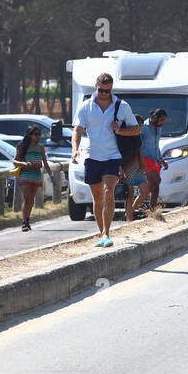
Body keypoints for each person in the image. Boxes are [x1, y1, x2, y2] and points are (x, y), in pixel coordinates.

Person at [71, 72, 139, 247]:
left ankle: (106, 234)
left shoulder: (121, 106)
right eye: (100, 90)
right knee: (98, 197)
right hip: (92, 156)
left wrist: (120, 131)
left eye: (107, 91)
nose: (103, 94)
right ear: (96, 87)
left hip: (112, 157)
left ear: (111, 90)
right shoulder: (86, 106)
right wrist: (75, 150)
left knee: (109, 192)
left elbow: (136, 129)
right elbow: (77, 130)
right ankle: (101, 234)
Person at [13, 125, 55, 231]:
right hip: (25, 174)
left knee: (31, 199)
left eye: (39, 134)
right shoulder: (22, 146)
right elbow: (14, 161)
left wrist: (51, 176)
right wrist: (24, 164)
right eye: (35, 134)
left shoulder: (41, 148)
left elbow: (45, 163)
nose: (37, 137)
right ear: (30, 135)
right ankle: (24, 222)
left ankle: (27, 219)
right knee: (26, 198)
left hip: (36, 174)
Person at [138, 107, 170, 210]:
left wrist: (161, 160)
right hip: (145, 159)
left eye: (164, 121)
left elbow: (156, 146)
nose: (163, 123)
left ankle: (152, 210)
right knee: (156, 180)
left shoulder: (159, 129)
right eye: (161, 120)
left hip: (155, 159)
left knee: (156, 187)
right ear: (155, 117)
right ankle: (139, 201)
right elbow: (138, 145)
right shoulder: (143, 128)